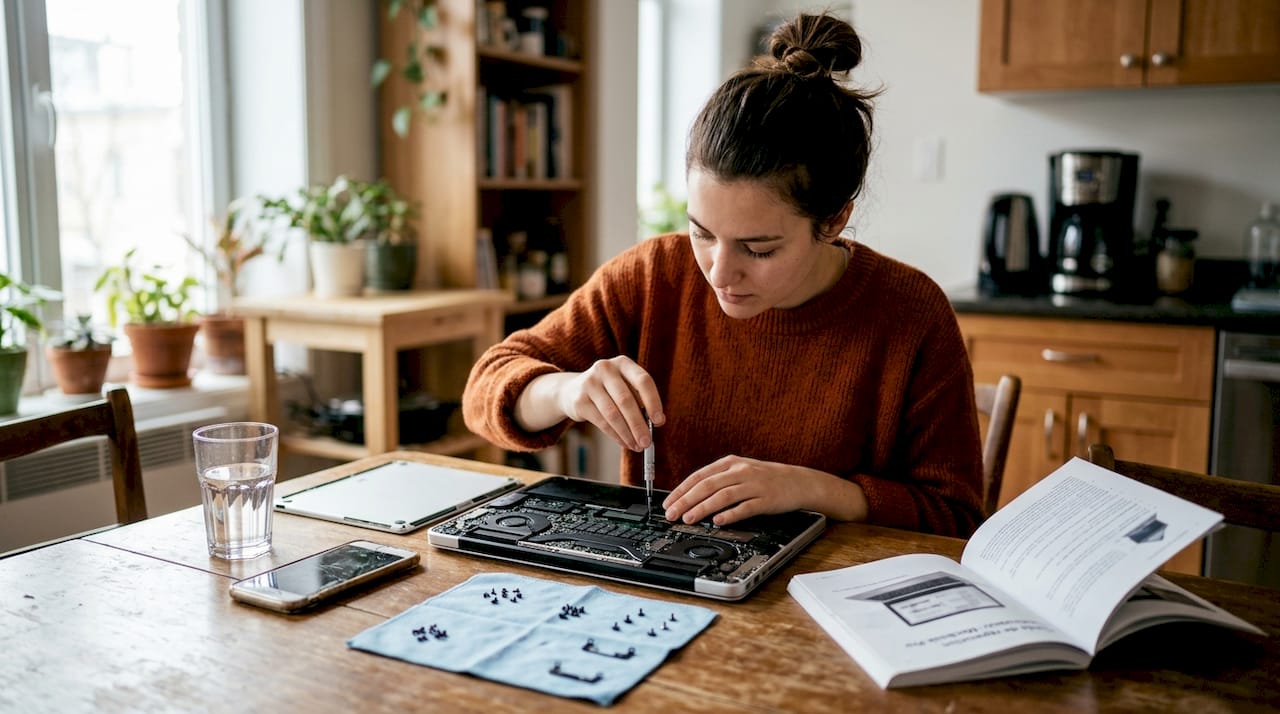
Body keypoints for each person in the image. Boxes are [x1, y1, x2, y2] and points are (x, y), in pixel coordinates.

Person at [463, 12, 983, 538]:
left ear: (833, 220)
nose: (718, 271)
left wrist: (812, 489)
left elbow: (956, 519)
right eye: (703, 232)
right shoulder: (652, 276)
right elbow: (484, 390)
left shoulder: (910, 312)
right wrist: (565, 391)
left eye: (758, 249)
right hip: (673, 591)